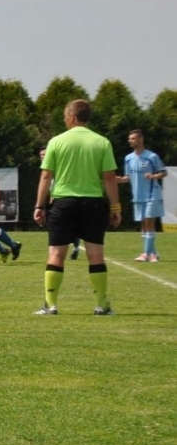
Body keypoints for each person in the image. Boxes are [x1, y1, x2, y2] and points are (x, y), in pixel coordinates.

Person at [34, 98, 119, 315]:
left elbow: (46, 175)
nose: (64, 120)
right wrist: (116, 207)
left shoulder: (56, 142)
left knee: (56, 254)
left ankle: (50, 305)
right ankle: (101, 305)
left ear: (72, 117)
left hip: (63, 203)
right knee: (96, 255)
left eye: (65, 116)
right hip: (93, 203)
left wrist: (39, 206)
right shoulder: (102, 142)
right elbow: (109, 177)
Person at [116, 128, 165, 262]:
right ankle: (153, 253)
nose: (130, 141)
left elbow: (163, 172)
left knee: (149, 221)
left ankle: (146, 253)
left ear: (141, 139)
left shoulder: (152, 156)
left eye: (133, 138)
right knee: (144, 223)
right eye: (129, 139)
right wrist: (120, 180)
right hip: (138, 196)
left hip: (152, 193)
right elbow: (129, 177)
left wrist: (153, 176)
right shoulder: (128, 158)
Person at [40, 144, 81, 259]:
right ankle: (75, 247)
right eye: (41, 155)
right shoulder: (45, 169)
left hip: (63, 201)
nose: (42, 157)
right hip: (55, 202)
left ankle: (74, 247)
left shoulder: (57, 167)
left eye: (44, 154)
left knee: (66, 227)